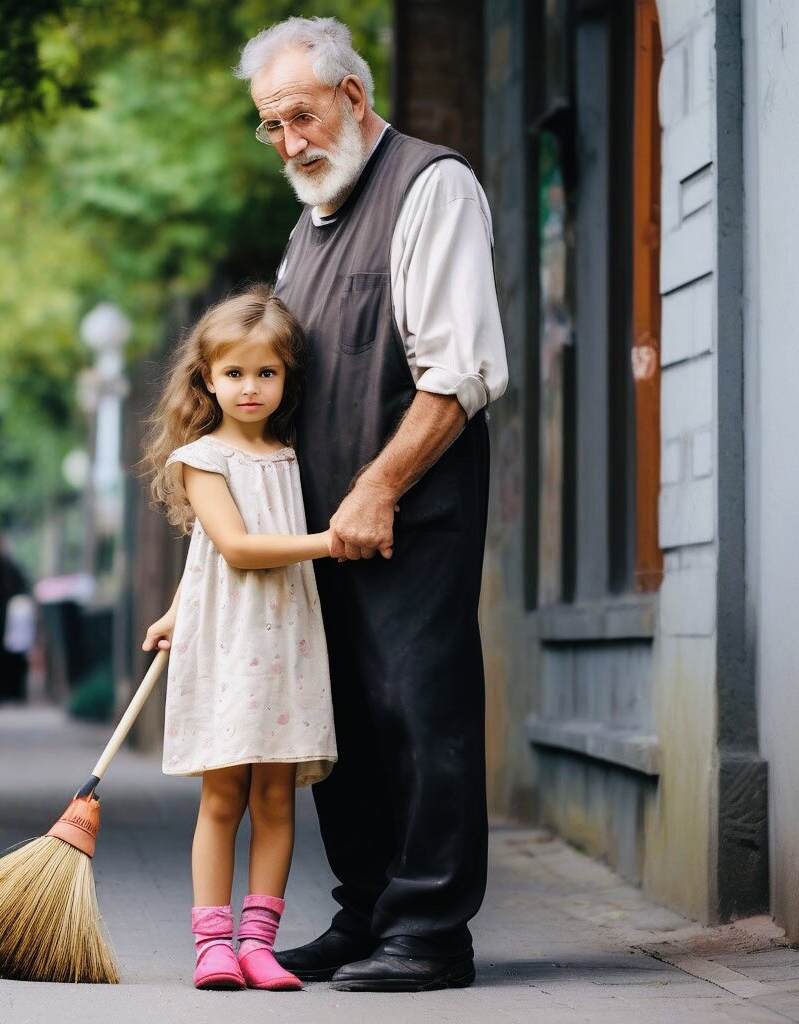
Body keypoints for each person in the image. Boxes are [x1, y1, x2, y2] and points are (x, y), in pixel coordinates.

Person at [232, 17, 509, 992]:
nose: (289, 142)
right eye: (270, 126)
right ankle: (365, 914)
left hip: (408, 516)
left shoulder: (431, 187)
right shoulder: (306, 230)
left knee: (416, 710)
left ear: (354, 96)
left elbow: (462, 370)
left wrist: (379, 488)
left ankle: (431, 931)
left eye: (301, 116)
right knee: (338, 720)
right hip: (316, 529)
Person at [140, 286, 339, 992]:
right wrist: (332, 541)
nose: (249, 388)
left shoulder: (292, 454)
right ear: (206, 378)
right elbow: (232, 546)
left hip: (286, 644)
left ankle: (260, 944)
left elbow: (201, 561)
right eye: (233, 374)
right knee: (223, 796)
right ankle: (212, 945)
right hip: (230, 647)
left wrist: (172, 607)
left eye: (266, 373)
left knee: (277, 798)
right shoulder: (202, 459)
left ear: (287, 379)